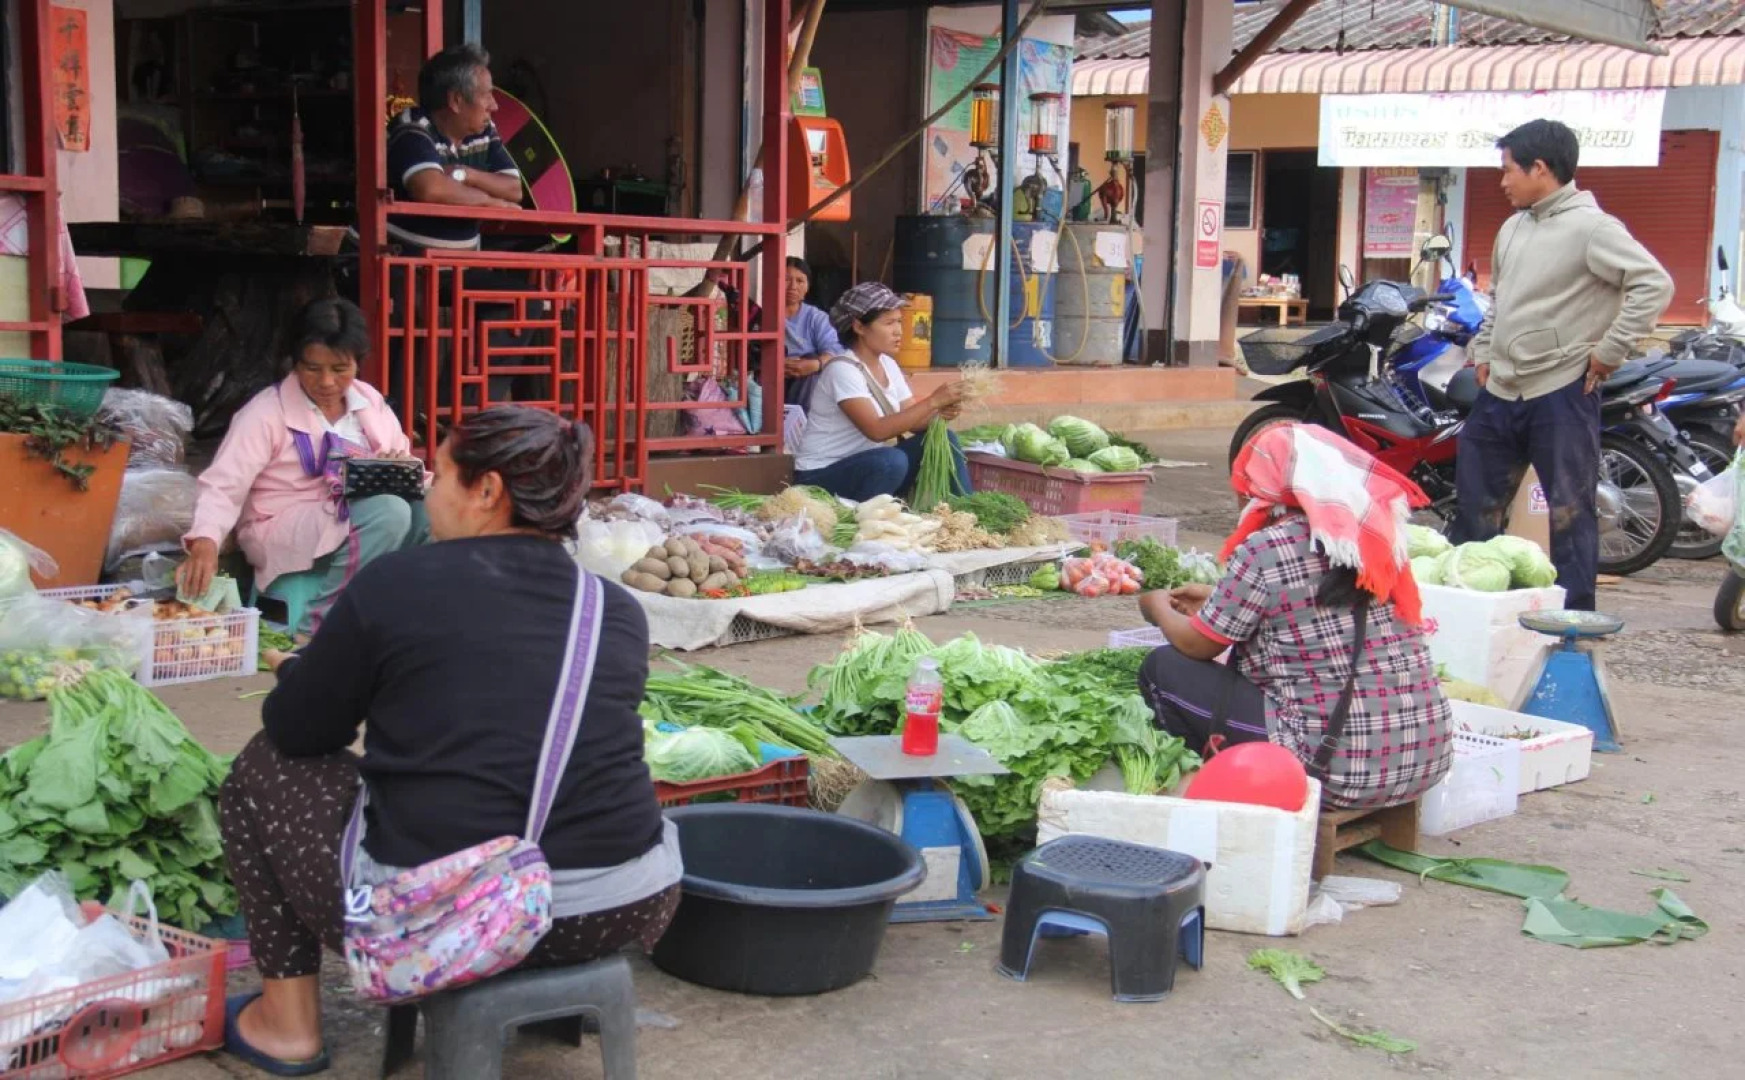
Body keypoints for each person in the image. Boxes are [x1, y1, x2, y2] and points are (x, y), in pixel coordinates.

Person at [218, 407, 681, 1075]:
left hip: (445, 917)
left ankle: (286, 1024)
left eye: (437, 474)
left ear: (486, 490)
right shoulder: (615, 609)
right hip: (621, 908)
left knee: (265, 767)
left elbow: (300, 730)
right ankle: (546, 997)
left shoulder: (395, 585)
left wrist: (298, 672)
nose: (427, 491)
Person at [1137, 423, 1453, 810]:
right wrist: (1216, 599)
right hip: (1424, 760)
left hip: (1331, 774)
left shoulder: (1269, 546)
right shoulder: (1374, 534)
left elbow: (1196, 644)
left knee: (1162, 667)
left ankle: (1216, 786)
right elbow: (1313, 608)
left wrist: (1155, 606)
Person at [1451, 119, 1673, 610]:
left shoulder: (1593, 227)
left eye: (1508, 170)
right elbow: (1500, 299)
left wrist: (1610, 351)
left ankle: (1574, 622)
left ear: (1539, 168)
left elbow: (1654, 285)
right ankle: (1471, 609)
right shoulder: (1512, 227)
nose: (1502, 181)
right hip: (1500, 391)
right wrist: (1483, 350)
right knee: (1474, 509)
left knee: (1569, 514)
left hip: (1561, 390)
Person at [179, 298, 427, 636]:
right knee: (389, 512)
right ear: (295, 362)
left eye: (340, 369)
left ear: (357, 363)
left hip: (355, 520)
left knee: (428, 511)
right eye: (312, 368)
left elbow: (404, 460)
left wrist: (401, 468)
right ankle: (319, 631)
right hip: (280, 524)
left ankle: (404, 620)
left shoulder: (368, 401)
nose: (326, 382)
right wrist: (205, 539)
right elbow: (224, 484)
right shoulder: (265, 412)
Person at [792, 282, 970, 503]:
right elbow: (876, 431)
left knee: (946, 439)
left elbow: (913, 421)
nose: (899, 331)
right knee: (891, 461)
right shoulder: (842, 370)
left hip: (866, 467)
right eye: (889, 323)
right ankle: (864, 515)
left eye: (899, 322)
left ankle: (967, 510)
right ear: (859, 327)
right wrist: (933, 401)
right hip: (821, 476)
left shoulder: (888, 364)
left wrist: (940, 413)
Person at [385, 43, 523, 252]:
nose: (494, 106)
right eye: (487, 95)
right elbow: (431, 189)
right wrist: (491, 203)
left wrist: (466, 175)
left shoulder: (483, 130)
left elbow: (513, 189)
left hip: (456, 266)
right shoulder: (412, 127)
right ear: (456, 101)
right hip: (399, 265)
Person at [781, 256, 843, 410]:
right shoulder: (762, 315)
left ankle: (800, 420)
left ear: (807, 286)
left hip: (805, 383)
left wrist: (814, 364)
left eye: (800, 281)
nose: (793, 287)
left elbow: (835, 351)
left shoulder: (816, 318)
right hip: (773, 379)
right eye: (786, 279)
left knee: (812, 361)